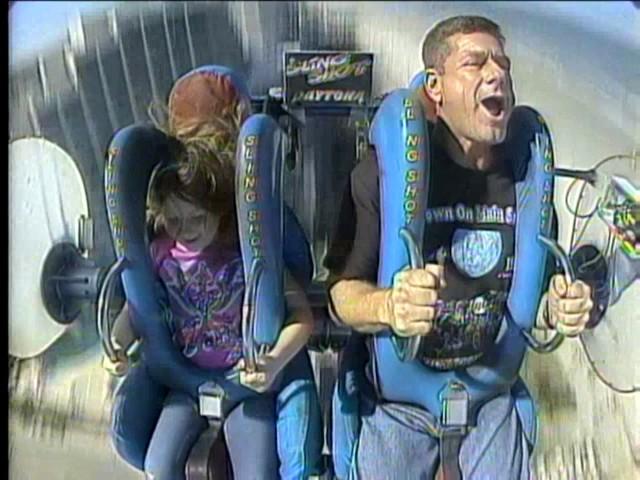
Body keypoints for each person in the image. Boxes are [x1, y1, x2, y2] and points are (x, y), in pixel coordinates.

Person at [325, 15, 595, 479]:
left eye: (503, 64)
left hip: (488, 396)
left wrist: (560, 306)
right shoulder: (384, 173)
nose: (497, 75)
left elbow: (539, 294)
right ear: (436, 86)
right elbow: (341, 295)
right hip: (397, 405)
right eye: (474, 63)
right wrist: (390, 305)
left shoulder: (527, 181)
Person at [107, 70, 323, 480]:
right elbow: (140, 309)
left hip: (246, 382)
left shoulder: (253, 248)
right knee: (158, 464)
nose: (184, 230)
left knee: (257, 470)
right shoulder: (162, 249)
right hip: (185, 379)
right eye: (174, 220)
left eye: (195, 221)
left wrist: (274, 362)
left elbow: (300, 314)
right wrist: (118, 344)